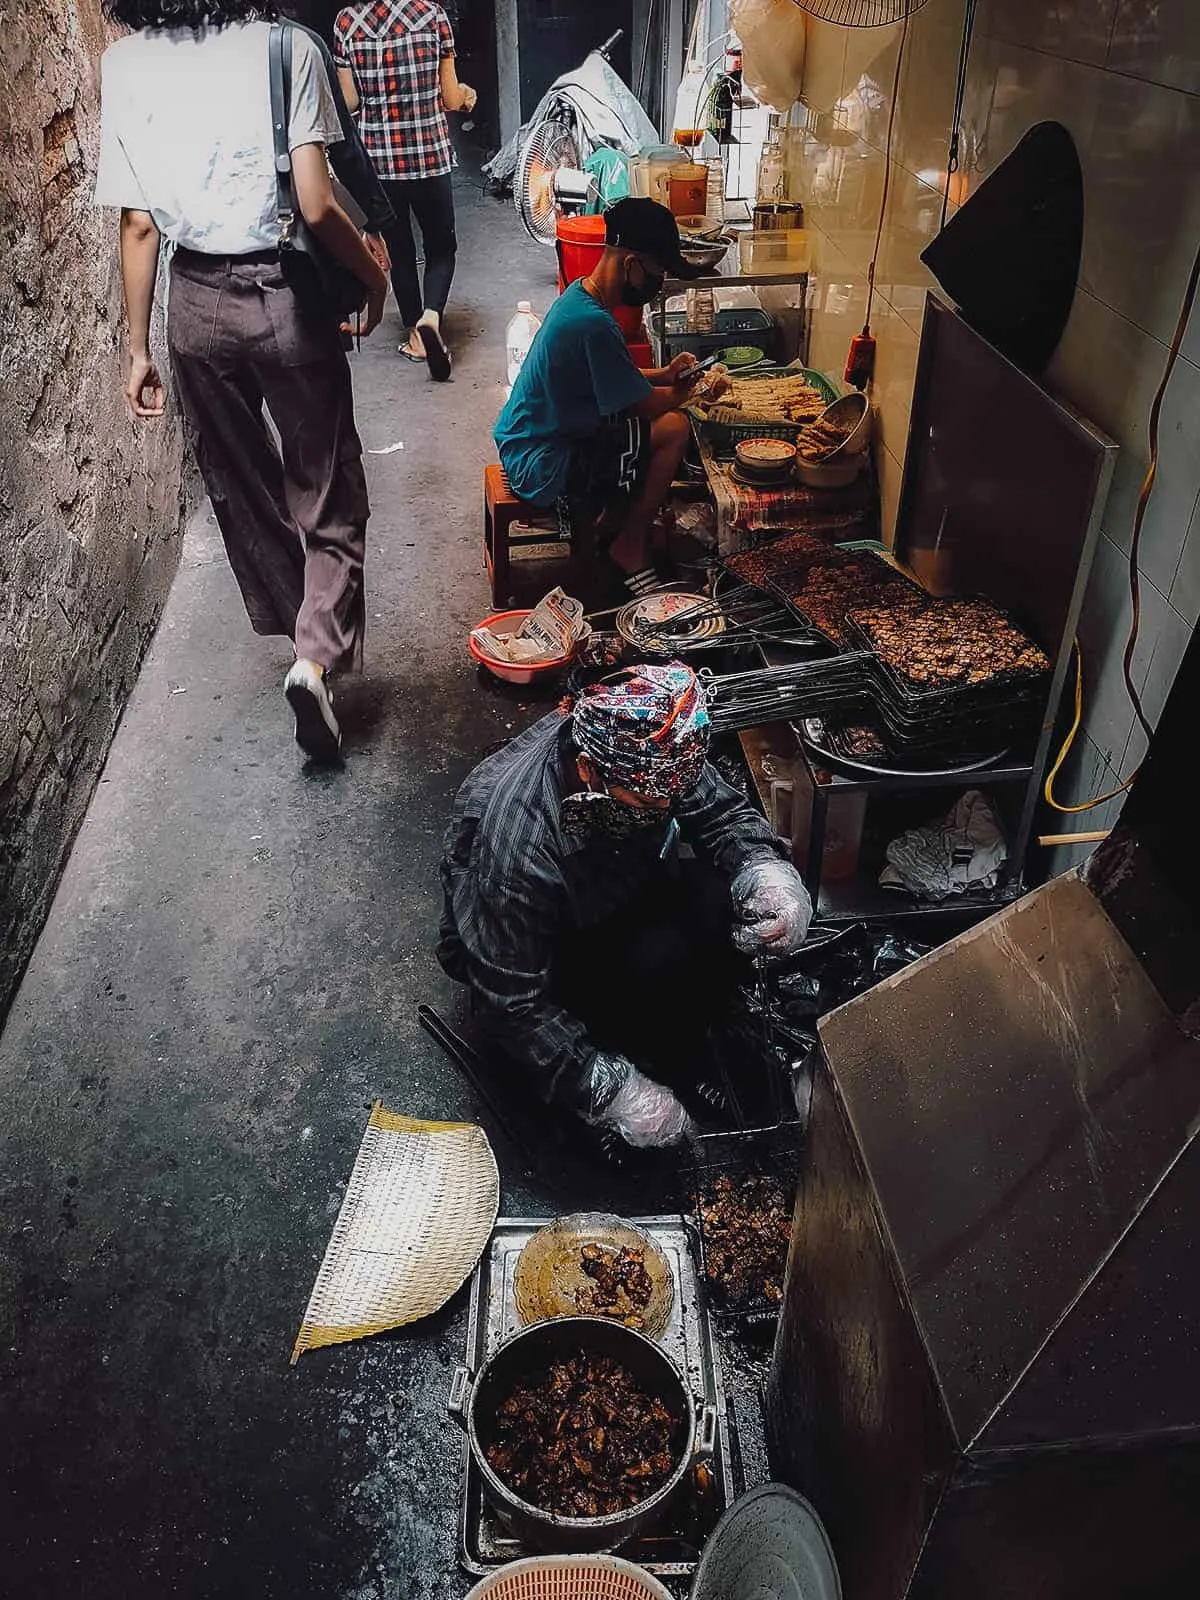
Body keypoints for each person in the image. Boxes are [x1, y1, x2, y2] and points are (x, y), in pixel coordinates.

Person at [95, 0, 390, 765]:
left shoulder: (124, 63)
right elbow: (318, 204)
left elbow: (138, 223)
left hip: (193, 304)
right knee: (326, 483)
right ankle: (315, 657)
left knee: (243, 484)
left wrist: (136, 348)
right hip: (283, 298)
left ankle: (304, 644)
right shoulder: (285, 48)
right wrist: (372, 277)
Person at [437, 664, 813, 1149]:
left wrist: (766, 871)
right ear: (589, 770)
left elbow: (719, 813)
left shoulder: (657, 749)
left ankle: (674, 1030)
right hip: (531, 946)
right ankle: (611, 1046)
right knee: (582, 1021)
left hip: (613, 881)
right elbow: (513, 1004)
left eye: (670, 798)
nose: (665, 807)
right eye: (646, 801)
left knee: (712, 912)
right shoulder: (519, 847)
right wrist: (612, 1091)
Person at [493, 198, 708, 604]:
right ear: (631, 264)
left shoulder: (581, 296)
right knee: (675, 426)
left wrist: (665, 375)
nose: (656, 283)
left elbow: (614, 378)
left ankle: (617, 523)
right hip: (541, 464)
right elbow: (637, 404)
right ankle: (628, 543)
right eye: (656, 271)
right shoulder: (593, 323)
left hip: (528, 440)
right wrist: (691, 390)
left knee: (657, 426)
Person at [333, 0, 477, 381]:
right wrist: (466, 95)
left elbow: (350, 102)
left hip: (379, 164)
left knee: (398, 249)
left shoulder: (347, 23)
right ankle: (431, 316)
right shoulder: (433, 16)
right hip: (428, 155)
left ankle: (415, 332)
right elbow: (450, 98)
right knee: (441, 246)